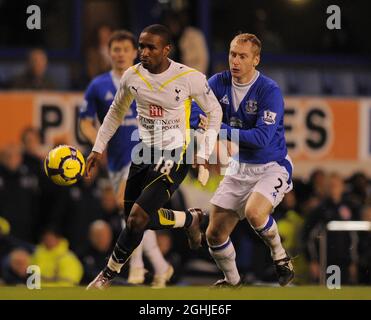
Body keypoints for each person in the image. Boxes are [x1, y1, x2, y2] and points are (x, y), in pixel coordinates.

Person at [86, 24, 222, 289]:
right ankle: (190, 219)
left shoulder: (189, 78)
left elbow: (215, 112)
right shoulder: (132, 76)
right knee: (136, 222)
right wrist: (97, 148)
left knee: (137, 218)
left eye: (151, 47)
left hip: (176, 153)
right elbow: (115, 112)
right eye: (141, 46)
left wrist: (203, 153)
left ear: (167, 50)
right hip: (144, 152)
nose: (144, 52)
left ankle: (107, 275)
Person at [80, 30, 180, 288]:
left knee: (133, 213)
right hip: (115, 158)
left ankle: (136, 267)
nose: (121, 53)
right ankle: (160, 264)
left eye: (126, 49)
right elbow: (85, 123)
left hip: (144, 154)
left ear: (133, 52)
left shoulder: (148, 79)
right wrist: (98, 145)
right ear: (110, 53)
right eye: (116, 49)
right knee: (134, 214)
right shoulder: (98, 85)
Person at [199, 33, 294, 287]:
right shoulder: (218, 83)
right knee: (214, 234)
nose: (235, 61)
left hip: (271, 166)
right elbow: (197, 111)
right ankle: (233, 282)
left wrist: (218, 130)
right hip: (239, 167)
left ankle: (279, 255)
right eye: (232, 54)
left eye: (243, 56)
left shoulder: (269, 90)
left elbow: (262, 138)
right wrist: (199, 122)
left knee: (254, 213)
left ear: (256, 60)